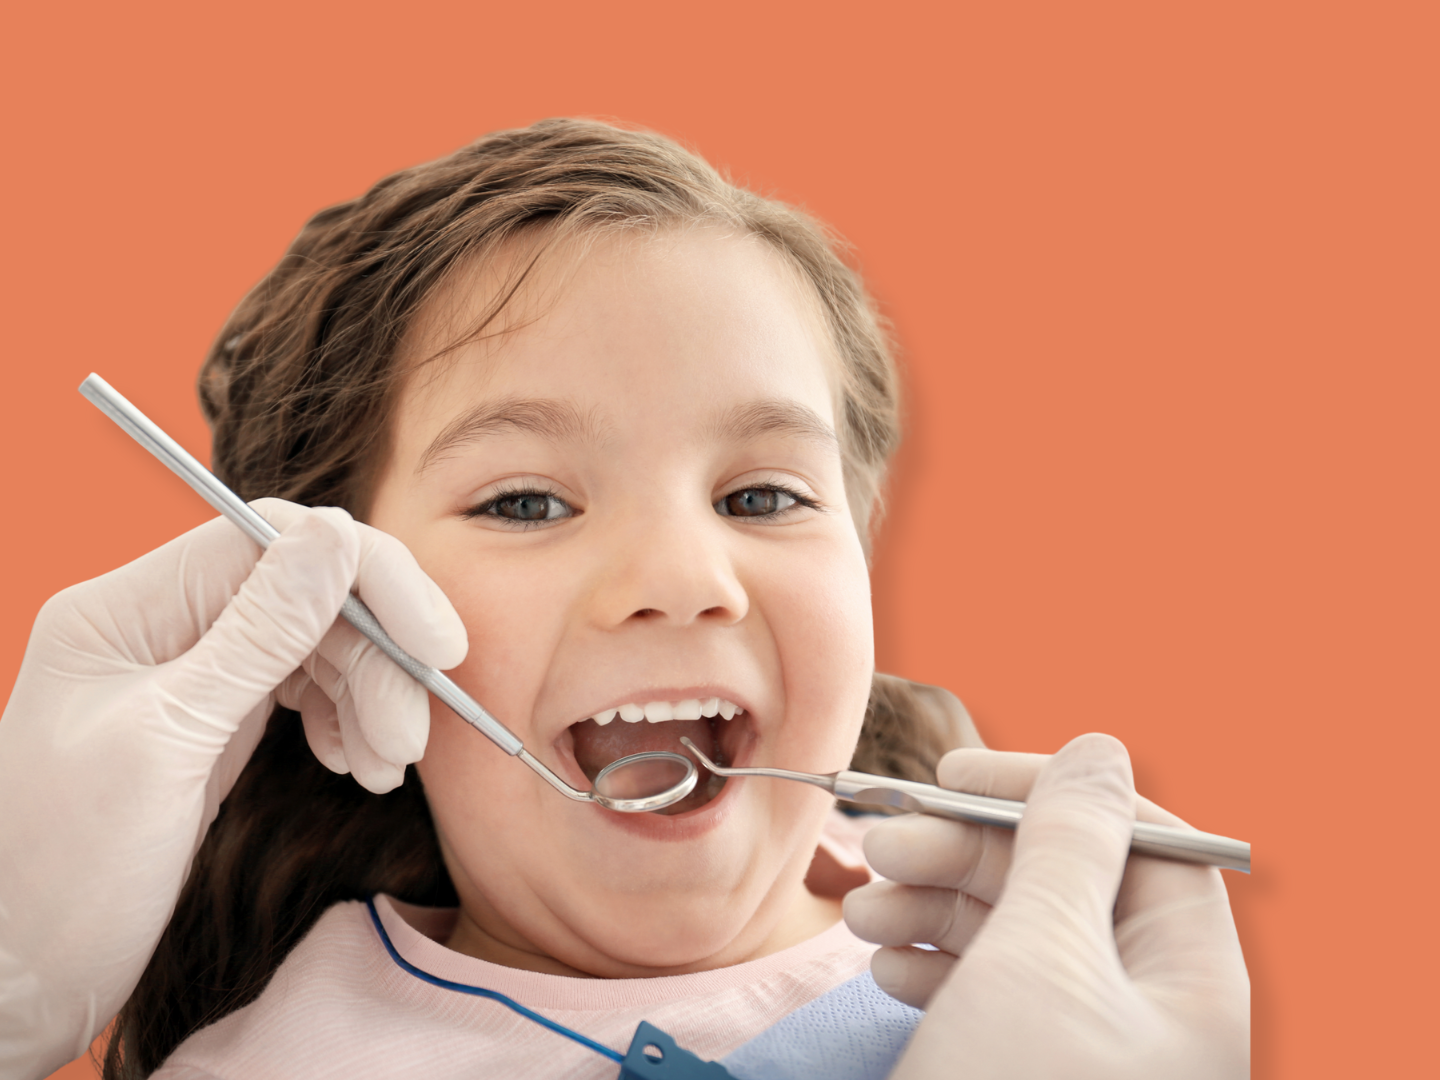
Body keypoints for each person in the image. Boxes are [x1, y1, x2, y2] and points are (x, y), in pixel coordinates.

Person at [0, 119, 1248, 1080]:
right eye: (525, 503)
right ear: (338, 629)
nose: (681, 581)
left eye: (762, 496)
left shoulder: (1072, 969)